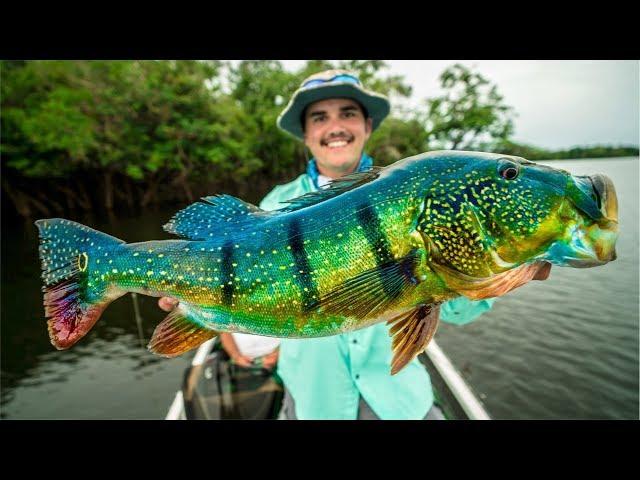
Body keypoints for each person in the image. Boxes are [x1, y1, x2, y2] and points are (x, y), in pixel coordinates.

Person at [160, 68, 495, 420]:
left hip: (400, 402)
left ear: (367, 126)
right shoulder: (274, 205)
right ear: (306, 134)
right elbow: (240, 284)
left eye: (347, 114)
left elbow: (460, 312)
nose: (335, 126)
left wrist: (495, 263)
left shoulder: (408, 193)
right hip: (315, 405)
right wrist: (192, 301)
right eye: (320, 117)